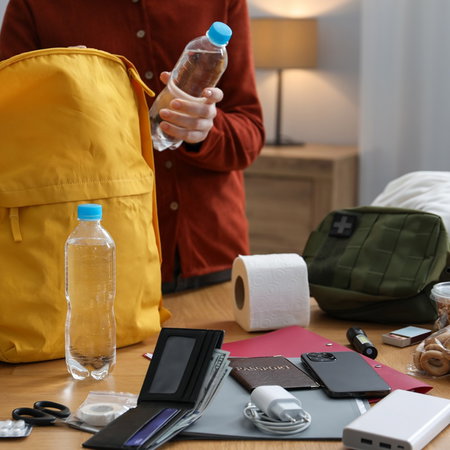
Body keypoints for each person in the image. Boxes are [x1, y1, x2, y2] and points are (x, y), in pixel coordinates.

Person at [0, 0, 265, 293]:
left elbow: (249, 135)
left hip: (208, 258)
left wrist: (205, 131)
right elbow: (10, 132)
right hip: (91, 261)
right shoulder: (34, 5)